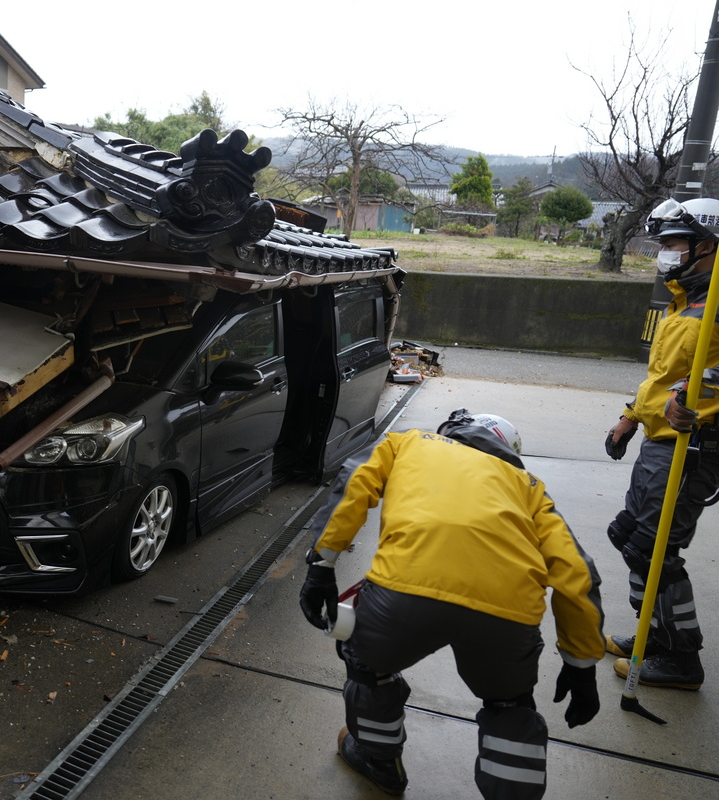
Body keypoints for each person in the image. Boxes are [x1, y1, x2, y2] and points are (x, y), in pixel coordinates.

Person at [300, 410, 604, 798]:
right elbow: (577, 572)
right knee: (510, 705)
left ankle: (379, 761)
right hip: (507, 614)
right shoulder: (528, 486)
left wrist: (322, 564)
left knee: (365, 662)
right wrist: (581, 664)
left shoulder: (407, 441)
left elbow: (353, 483)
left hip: (404, 592)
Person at [603, 196, 719, 690]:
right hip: (658, 442)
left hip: (693, 447)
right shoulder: (687, 300)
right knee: (630, 537)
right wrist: (630, 418)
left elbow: (703, 378)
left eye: (674, 244)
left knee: (653, 551)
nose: (666, 254)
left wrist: (706, 393)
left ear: (709, 246)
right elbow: (664, 377)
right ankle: (653, 632)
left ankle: (680, 658)